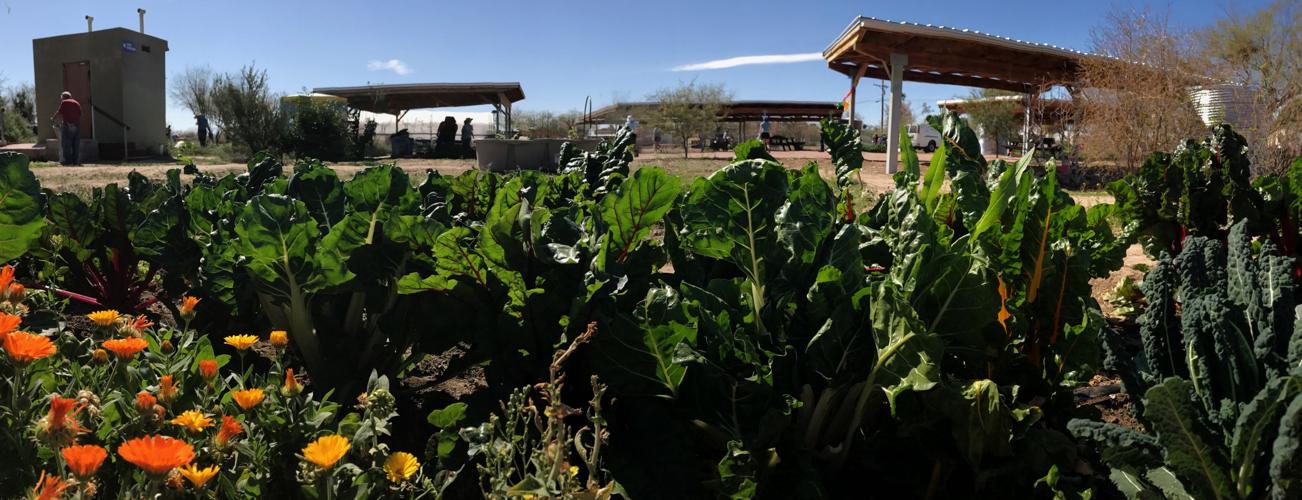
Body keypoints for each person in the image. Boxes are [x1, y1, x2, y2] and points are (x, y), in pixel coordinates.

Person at [51, 91, 82, 165]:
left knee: (66, 143)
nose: (61, 99)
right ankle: (76, 161)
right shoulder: (76, 103)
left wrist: (53, 118)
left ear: (64, 97)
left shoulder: (64, 102)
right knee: (76, 144)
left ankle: (68, 161)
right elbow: (80, 114)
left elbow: (59, 112)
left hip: (67, 125)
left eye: (62, 98)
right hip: (76, 125)